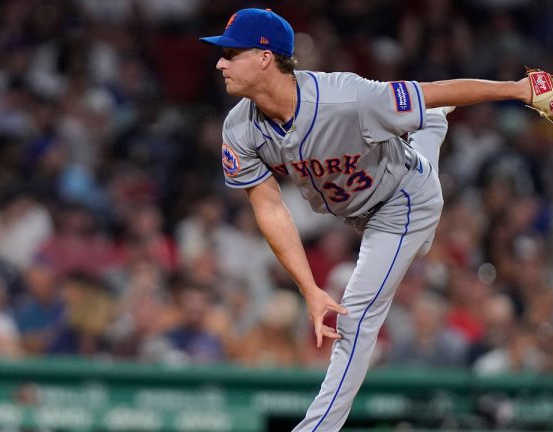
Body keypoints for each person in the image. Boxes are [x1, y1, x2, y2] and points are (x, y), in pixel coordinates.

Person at [200, 8, 533, 431]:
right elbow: (269, 208)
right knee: (420, 135)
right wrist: (309, 288)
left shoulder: (346, 97)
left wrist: (519, 89)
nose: (219, 62)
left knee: (356, 319)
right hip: (362, 211)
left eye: (230, 53)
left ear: (265, 57)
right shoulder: (240, 128)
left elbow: (432, 88)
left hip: (403, 203)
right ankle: (430, 127)